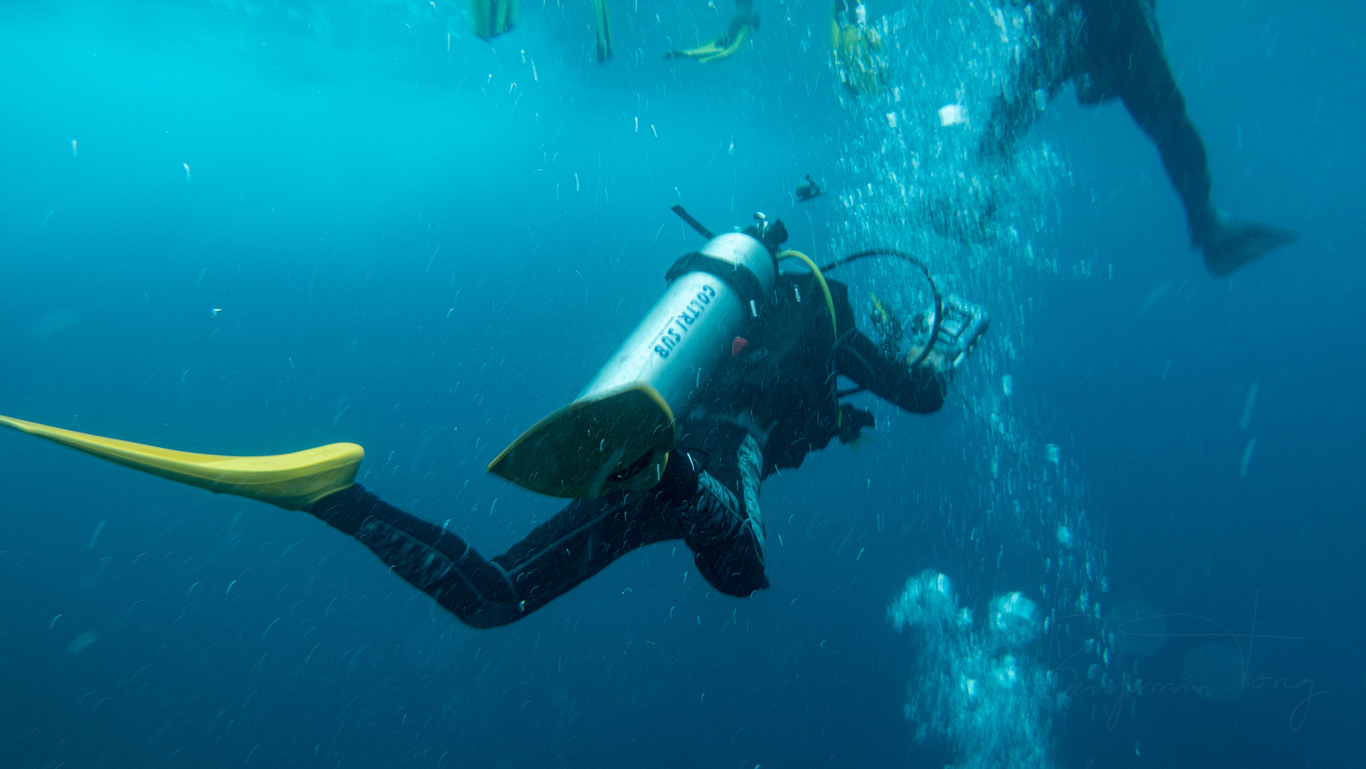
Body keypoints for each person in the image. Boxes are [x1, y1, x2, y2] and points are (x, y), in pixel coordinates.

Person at [0, 219, 981, 630]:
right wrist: (935, 358)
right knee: (744, 568)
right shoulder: (833, 321)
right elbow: (919, 393)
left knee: (497, 597)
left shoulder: (749, 312)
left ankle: (332, 497)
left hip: (644, 441)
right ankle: (673, 482)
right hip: (698, 460)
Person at [980, 0, 1295, 275]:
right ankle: (979, 208)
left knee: (1003, 128)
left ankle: (979, 207)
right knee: (1170, 125)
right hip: (1096, 18)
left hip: (1092, 17)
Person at [664, 0, 759, 63]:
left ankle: (686, 54)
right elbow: (732, 42)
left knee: (718, 50)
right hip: (726, 40)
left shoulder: (747, 21)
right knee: (714, 49)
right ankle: (686, 54)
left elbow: (735, 44)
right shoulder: (743, 20)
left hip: (728, 41)